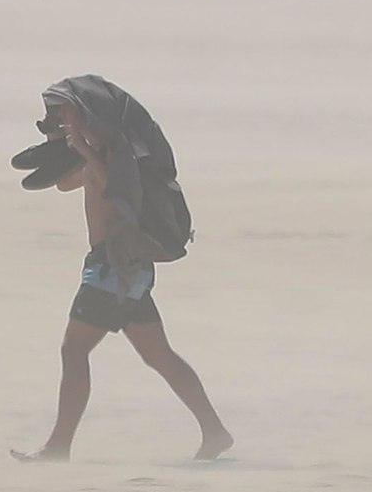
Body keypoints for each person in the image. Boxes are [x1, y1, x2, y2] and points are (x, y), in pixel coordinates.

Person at [12, 76, 233, 463]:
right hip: (133, 270)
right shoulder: (110, 155)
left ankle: (58, 447)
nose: (59, 117)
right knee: (159, 355)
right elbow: (66, 184)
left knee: (74, 350)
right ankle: (215, 432)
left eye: (64, 111)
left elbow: (109, 183)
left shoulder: (115, 159)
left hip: (110, 269)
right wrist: (66, 146)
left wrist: (83, 147)